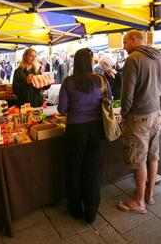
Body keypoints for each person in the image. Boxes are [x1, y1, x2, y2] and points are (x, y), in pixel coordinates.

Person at [117, 30, 161, 213]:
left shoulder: (133, 59)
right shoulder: (159, 58)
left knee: (138, 159)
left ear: (133, 40)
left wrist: (124, 112)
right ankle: (149, 195)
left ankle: (139, 202)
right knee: (153, 155)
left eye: (125, 42)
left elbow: (127, 92)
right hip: (156, 114)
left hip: (139, 117)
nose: (123, 46)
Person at [57, 48, 109, 224]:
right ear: (90, 61)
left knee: (74, 170)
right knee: (91, 172)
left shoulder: (68, 82)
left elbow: (62, 109)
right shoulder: (100, 80)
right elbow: (109, 99)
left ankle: (76, 210)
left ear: (75, 62)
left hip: (75, 130)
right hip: (97, 129)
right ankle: (91, 213)